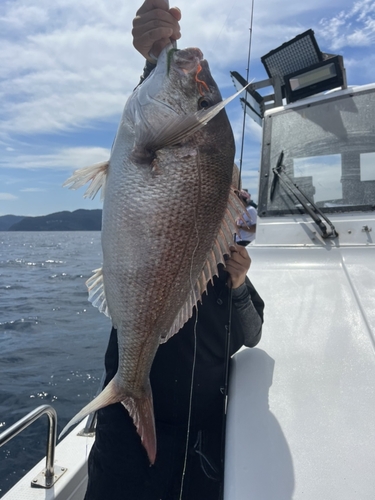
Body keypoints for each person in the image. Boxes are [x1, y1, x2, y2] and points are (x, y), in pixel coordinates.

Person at [84, 2, 265, 499]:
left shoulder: (224, 268)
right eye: (232, 206)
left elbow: (252, 335)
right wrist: (155, 57)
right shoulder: (173, 183)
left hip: (205, 440)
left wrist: (240, 281)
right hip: (125, 431)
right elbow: (152, 135)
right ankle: (126, 385)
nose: (236, 217)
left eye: (239, 213)